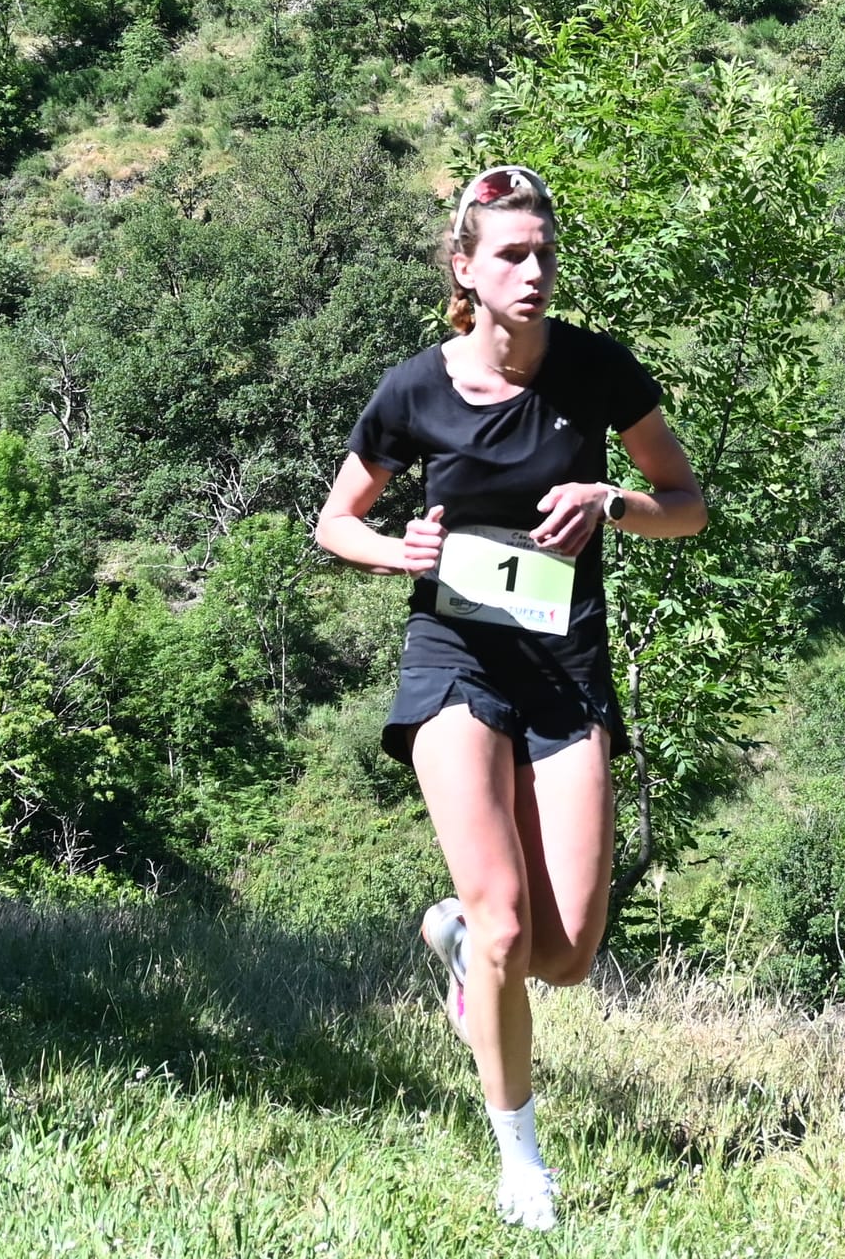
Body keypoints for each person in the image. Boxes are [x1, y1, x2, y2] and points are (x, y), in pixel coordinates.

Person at [315, 164, 707, 1231]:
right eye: (509, 255)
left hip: (564, 665)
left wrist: (612, 497)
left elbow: (687, 504)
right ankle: (519, 1159)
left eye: (542, 254)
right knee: (503, 924)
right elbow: (334, 521)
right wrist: (403, 550)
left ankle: (449, 937)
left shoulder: (595, 370)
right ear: (464, 268)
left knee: (565, 950)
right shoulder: (414, 389)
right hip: (455, 659)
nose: (531, 272)